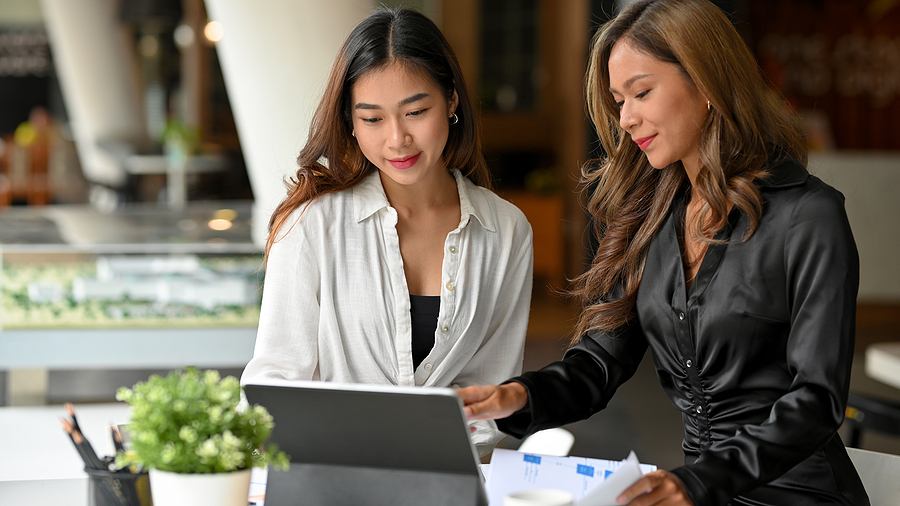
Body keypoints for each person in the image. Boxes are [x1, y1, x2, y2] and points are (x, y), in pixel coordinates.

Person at [458, 0, 868, 504]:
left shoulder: (809, 216)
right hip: (693, 491)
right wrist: (517, 397)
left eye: (642, 92)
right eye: (618, 100)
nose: (626, 119)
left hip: (796, 494)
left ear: (708, 82)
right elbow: (599, 363)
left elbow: (817, 400)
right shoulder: (653, 211)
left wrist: (696, 482)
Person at [240, 7, 534, 456]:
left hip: (448, 479)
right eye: (373, 119)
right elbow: (273, 382)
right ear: (350, 123)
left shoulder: (506, 230)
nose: (397, 139)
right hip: (332, 475)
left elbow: (489, 393)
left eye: (415, 111)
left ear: (452, 101)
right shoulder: (311, 225)